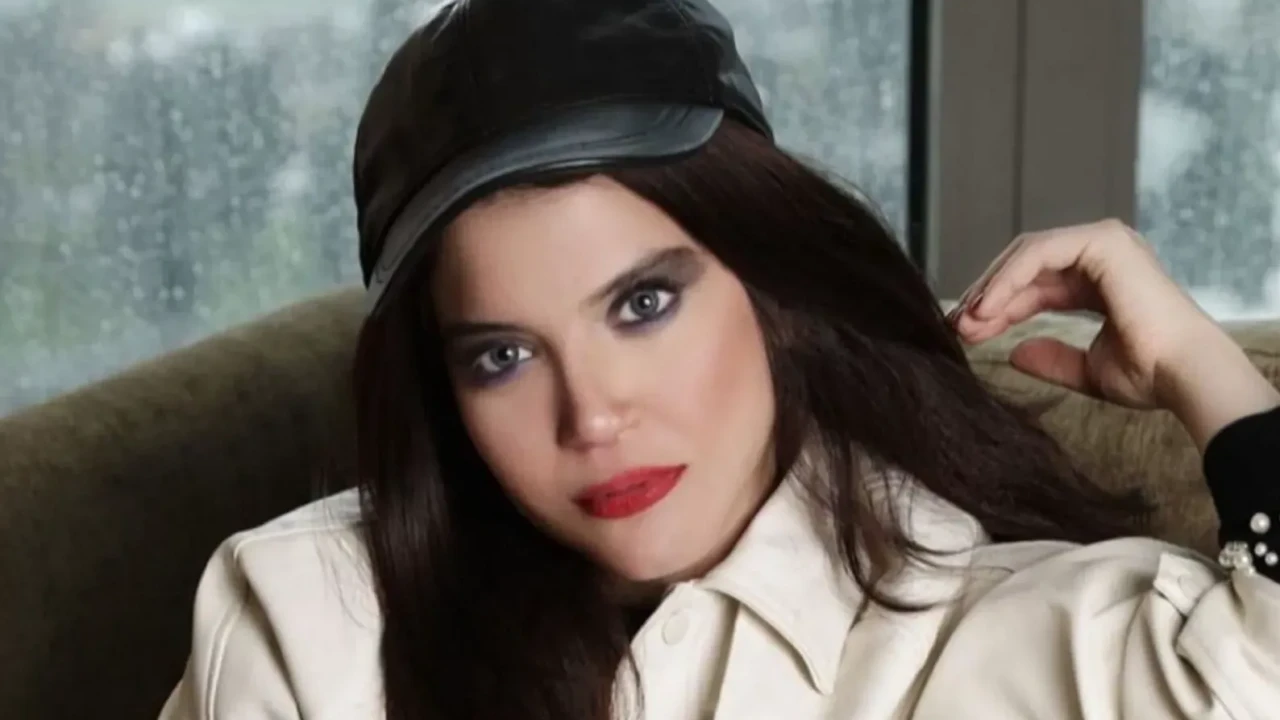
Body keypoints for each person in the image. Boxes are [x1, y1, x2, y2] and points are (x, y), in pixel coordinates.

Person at [158, 0, 1280, 718]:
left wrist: (1201, 365)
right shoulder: (309, 621)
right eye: (501, 355)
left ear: (773, 291)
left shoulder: (1024, 634)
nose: (592, 415)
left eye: (642, 304)